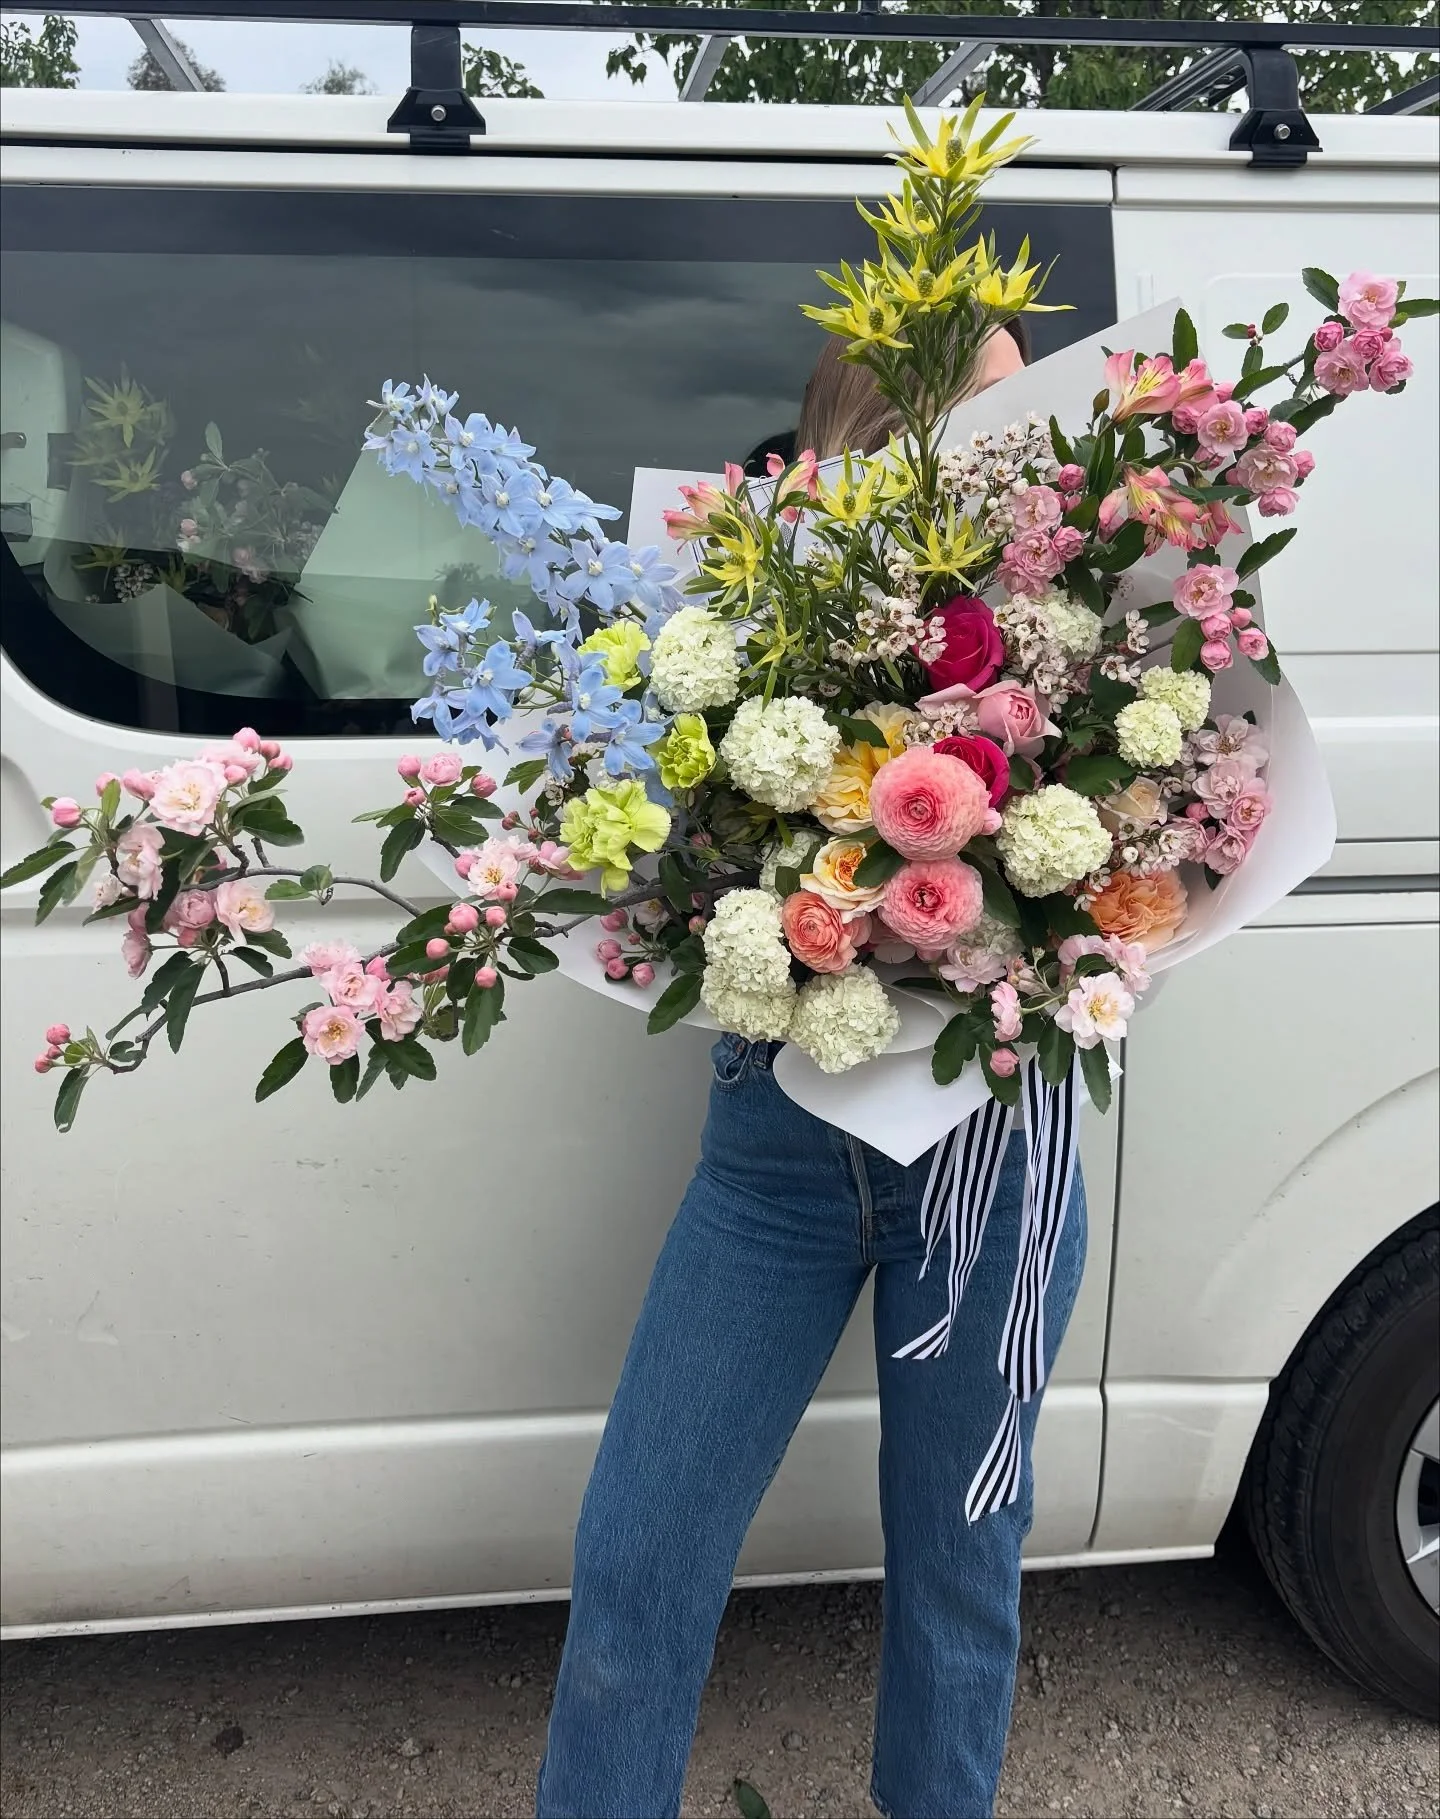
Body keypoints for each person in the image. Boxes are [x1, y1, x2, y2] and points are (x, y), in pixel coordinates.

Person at [536, 319, 1080, 1819]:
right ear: (870, 424)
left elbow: (1112, 869)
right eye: (991, 403)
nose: (1018, 433)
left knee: (961, 1573)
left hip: (986, 1159)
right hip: (773, 1155)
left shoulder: (1062, 625)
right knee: (639, 1553)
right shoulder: (749, 605)